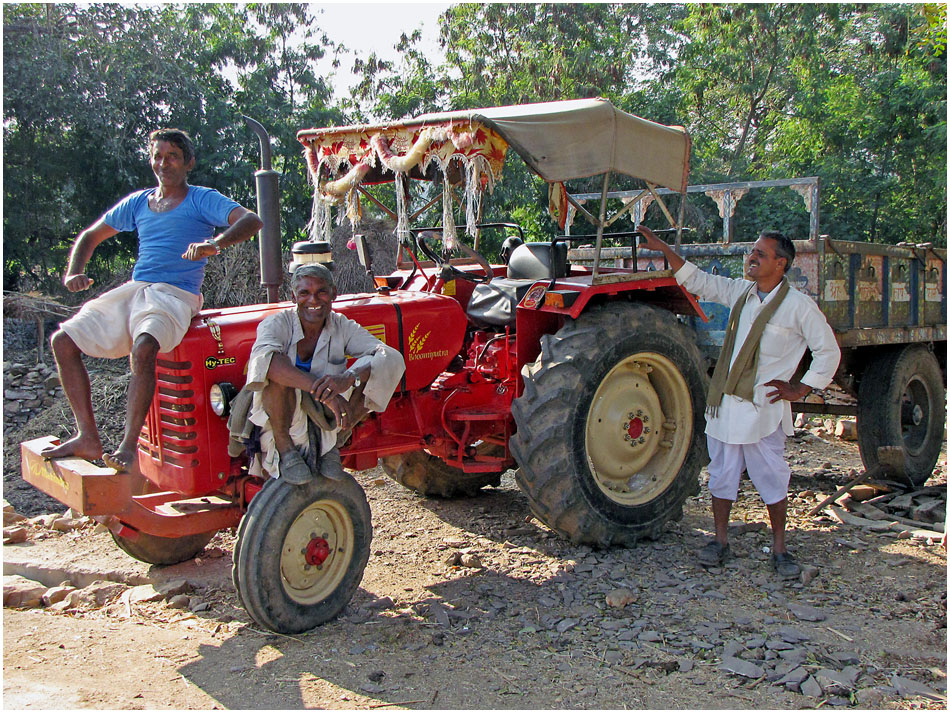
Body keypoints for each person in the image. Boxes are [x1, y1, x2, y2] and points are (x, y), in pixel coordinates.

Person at [43, 128, 263, 472]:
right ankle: (87, 436)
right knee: (63, 341)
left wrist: (214, 244)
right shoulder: (138, 202)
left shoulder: (201, 199)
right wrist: (75, 271)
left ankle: (128, 448)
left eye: (173, 156)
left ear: (188, 162)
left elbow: (252, 220)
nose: (164, 163)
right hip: (138, 289)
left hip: (176, 294)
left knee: (144, 347)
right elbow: (91, 234)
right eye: (157, 156)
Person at [637, 225, 841, 577]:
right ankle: (719, 542)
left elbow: (828, 351)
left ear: (781, 264)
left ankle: (779, 548)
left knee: (772, 477)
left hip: (763, 408)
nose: (752, 257)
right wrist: (663, 249)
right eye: (752, 251)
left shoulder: (798, 306)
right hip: (726, 404)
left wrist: (802, 389)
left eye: (761, 254)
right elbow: (698, 281)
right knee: (721, 474)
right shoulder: (742, 293)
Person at [244, 263, 405, 484]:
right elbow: (266, 363)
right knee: (275, 370)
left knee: (384, 362)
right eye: (305, 293)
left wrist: (349, 377)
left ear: (333, 294)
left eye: (321, 292)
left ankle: (334, 443)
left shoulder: (341, 325)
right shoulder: (276, 323)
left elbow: (386, 354)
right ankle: (286, 450)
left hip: (328, 416)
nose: (313, 300)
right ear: (293, 296)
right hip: (285, 412)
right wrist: (325, 393)